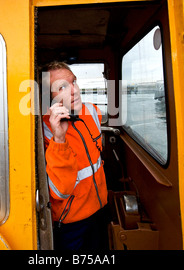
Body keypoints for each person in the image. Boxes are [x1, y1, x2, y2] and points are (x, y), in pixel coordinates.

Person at [42, 61, 108, 250]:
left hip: (100, 209)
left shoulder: (92, 112)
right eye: (62, 87)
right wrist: (59, 138)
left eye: (74, 82)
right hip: (71, 223)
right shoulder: (45, 131)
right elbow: (60, 191)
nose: (74, 90)